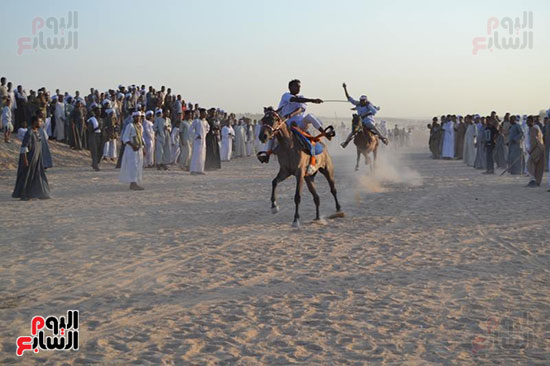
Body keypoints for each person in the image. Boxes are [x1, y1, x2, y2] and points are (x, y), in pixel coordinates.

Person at [12, 115, 50, 200]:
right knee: (27, 177)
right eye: (39, 121)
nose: (41, 123)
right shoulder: (29, 133)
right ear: (34, 122)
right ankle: (24, 195)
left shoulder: (38, 132)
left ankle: (42, 193)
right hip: (29, 159)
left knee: (39, 176)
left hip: (37, 159)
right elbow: (23, 147)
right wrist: (25, 159)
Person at [341, 82, 388, 147]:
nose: (362, 101)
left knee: (374, 128)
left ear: (365, 100)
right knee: (353, 132)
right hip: (360, 122)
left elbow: (374, 112)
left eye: (363, 100)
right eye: (361, 100)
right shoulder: (358, 104)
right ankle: (346, 143)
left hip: (368, 121)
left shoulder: (368, 105)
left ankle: (382, 138)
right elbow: (349, 98)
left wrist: (365, 114)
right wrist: (345, 88)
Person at [119, 111, 145, 190]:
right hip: (131, 150)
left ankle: (135, 181)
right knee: (133, 166)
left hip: (139, 149)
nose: (138, 118)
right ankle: (133, 183)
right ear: (133, 117)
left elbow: (141, 138)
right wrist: (132, 145)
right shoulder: (130, 126)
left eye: (139, 117)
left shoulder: (140, 126)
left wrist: (144, 148)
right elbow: (125, 138)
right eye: (136, 116)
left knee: (138, 165)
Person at [190, 108, 210, 175]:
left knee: (202, 155)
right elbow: (191, 129)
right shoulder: (196, 121)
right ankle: (193, 170)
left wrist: (204, 134)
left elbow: (207, 129)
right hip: (197, 141)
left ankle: (200, 170)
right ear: (201, 113)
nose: (205, 114)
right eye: (204, 113)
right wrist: (196, 135)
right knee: (196, 155)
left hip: (203, 141)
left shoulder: (205, 122)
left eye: (206, 113)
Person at [526, 116, 545, 187]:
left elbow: (534, 141)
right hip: (540, 148)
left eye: (528, 121)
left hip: (536, 149)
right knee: (538, 166)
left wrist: (530, 151)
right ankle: (537, 182)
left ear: (532, 121)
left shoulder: (533, 129)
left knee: (530, 163)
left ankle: (533, 181)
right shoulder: (535, 128)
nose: (527, 122)